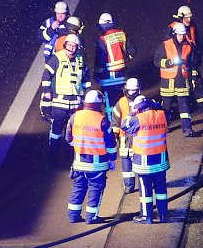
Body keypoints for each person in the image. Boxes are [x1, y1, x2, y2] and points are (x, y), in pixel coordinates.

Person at [65, 90, 117, 223]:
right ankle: (91, 217)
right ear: (99, 104)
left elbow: (69, 138)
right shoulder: (102, 120)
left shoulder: (75, 117)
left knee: (78, 187)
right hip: (97, 164)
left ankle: (73, 215)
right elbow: (110, 143)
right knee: (95, 188)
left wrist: (79, 147)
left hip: (79, 162)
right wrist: (112, 158)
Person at [40, 33, 91, 160]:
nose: (72, 47)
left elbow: (85, 79)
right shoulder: (56, 58)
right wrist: (46, 90)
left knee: (74, 130)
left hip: (75, 103)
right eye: (69, 45)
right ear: (65, 45)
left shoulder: (81, 60)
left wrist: (87, 93)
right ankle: (53, 153)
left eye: (74, 46)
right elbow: (46, 76)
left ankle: (71, 154)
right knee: (57, 129)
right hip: (59, 102)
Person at [122, 96, 170, 223]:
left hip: (144, 162)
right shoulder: (161, 115)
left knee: (145, 190)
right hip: (160, 160)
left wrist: (132, 112)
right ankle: (163, 215)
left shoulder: (138, 119)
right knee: (161, 190)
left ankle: (146, 216)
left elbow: (124, 125)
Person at [154, 22, 198, 137]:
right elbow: (157, 61)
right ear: (174, 34)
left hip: (182, 80)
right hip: (168, 81)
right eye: (180, 35)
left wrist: (192, 77)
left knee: (184, 106)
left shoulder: (188, 46)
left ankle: (187, 129)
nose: (182, 37)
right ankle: (164, 127)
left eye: (183, 35)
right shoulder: (165, 45)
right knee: (166, 106)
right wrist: (169, 62)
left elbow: (193, 63)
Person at [94, 12, 136, 120]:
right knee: (124, 101)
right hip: (122, 76)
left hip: (108, 78)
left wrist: (97, 75)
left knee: (110, 105)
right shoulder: (122, 34)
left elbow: (100, 60)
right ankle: (127, 123)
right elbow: (132, 51)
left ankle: (113, 126)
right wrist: (126, 60)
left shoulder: (102, 40)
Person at [167, 5, 203, 110]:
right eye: (187, 18)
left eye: (190, 17)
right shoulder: (173, 28)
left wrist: (197, 57)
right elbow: (169, 46)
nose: (189, 20)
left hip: (192, 57)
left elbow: (196, 42)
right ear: (181, 17)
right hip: (181, 61)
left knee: (197, 80)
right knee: (180, 86)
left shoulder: (192, 26)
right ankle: (172, 108)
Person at [113, 77, 143, 194]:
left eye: (133, 90)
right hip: (126, 138)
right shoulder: (121, 103)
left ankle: (139, 184)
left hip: (137, 137)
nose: (132, 93)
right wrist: (115, 137)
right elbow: (115, 122)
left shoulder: (141, 101)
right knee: (126, 163)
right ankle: (129, 185)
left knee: (138, 161)